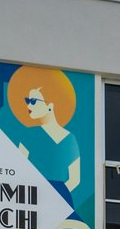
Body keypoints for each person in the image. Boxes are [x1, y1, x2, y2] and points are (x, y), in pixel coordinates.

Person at [7, 66, 82, 199]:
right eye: (27, 101)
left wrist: (54, 197)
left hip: (60, 201)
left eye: (33, 101)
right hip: (32, 199)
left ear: (50, 105)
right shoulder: (28, 135)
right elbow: (19, 172)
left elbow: (74, 180)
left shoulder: (70, 139)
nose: (29, 106)